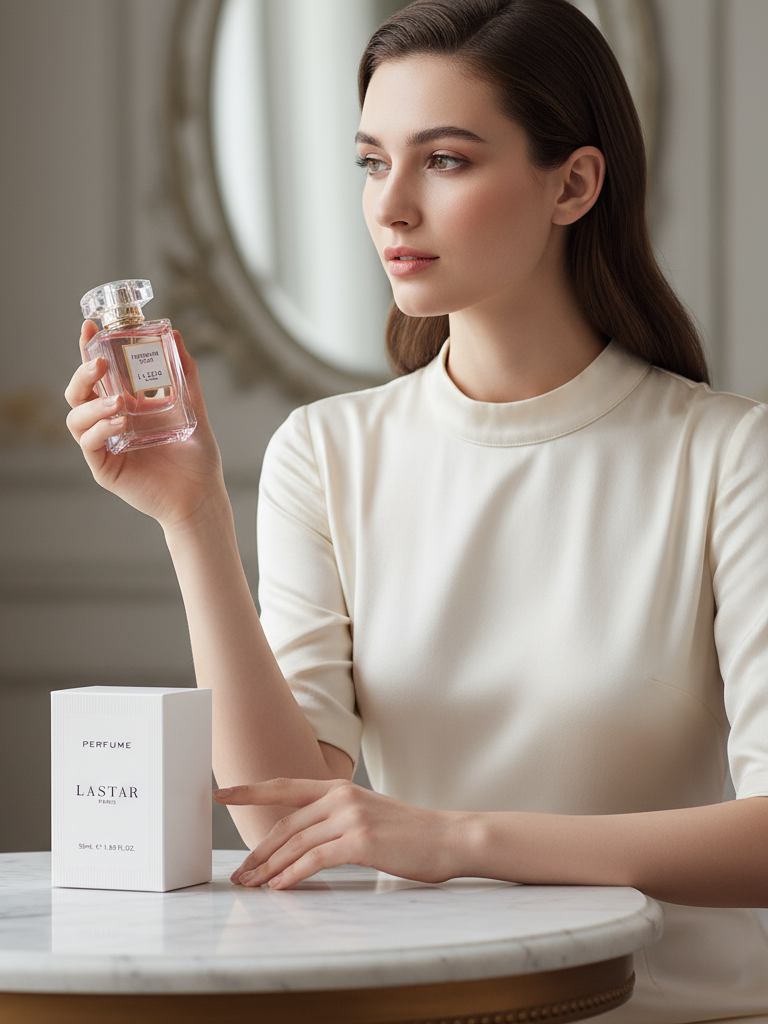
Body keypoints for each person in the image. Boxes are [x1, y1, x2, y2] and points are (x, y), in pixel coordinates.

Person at [65, 0, 768, 1018]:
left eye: (443, 160)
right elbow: (279, 825)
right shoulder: (328, 449)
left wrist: (454, 839)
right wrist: (193, 516)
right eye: (369, 162)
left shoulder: (728, 456)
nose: (390, 205)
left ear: (572, 183)